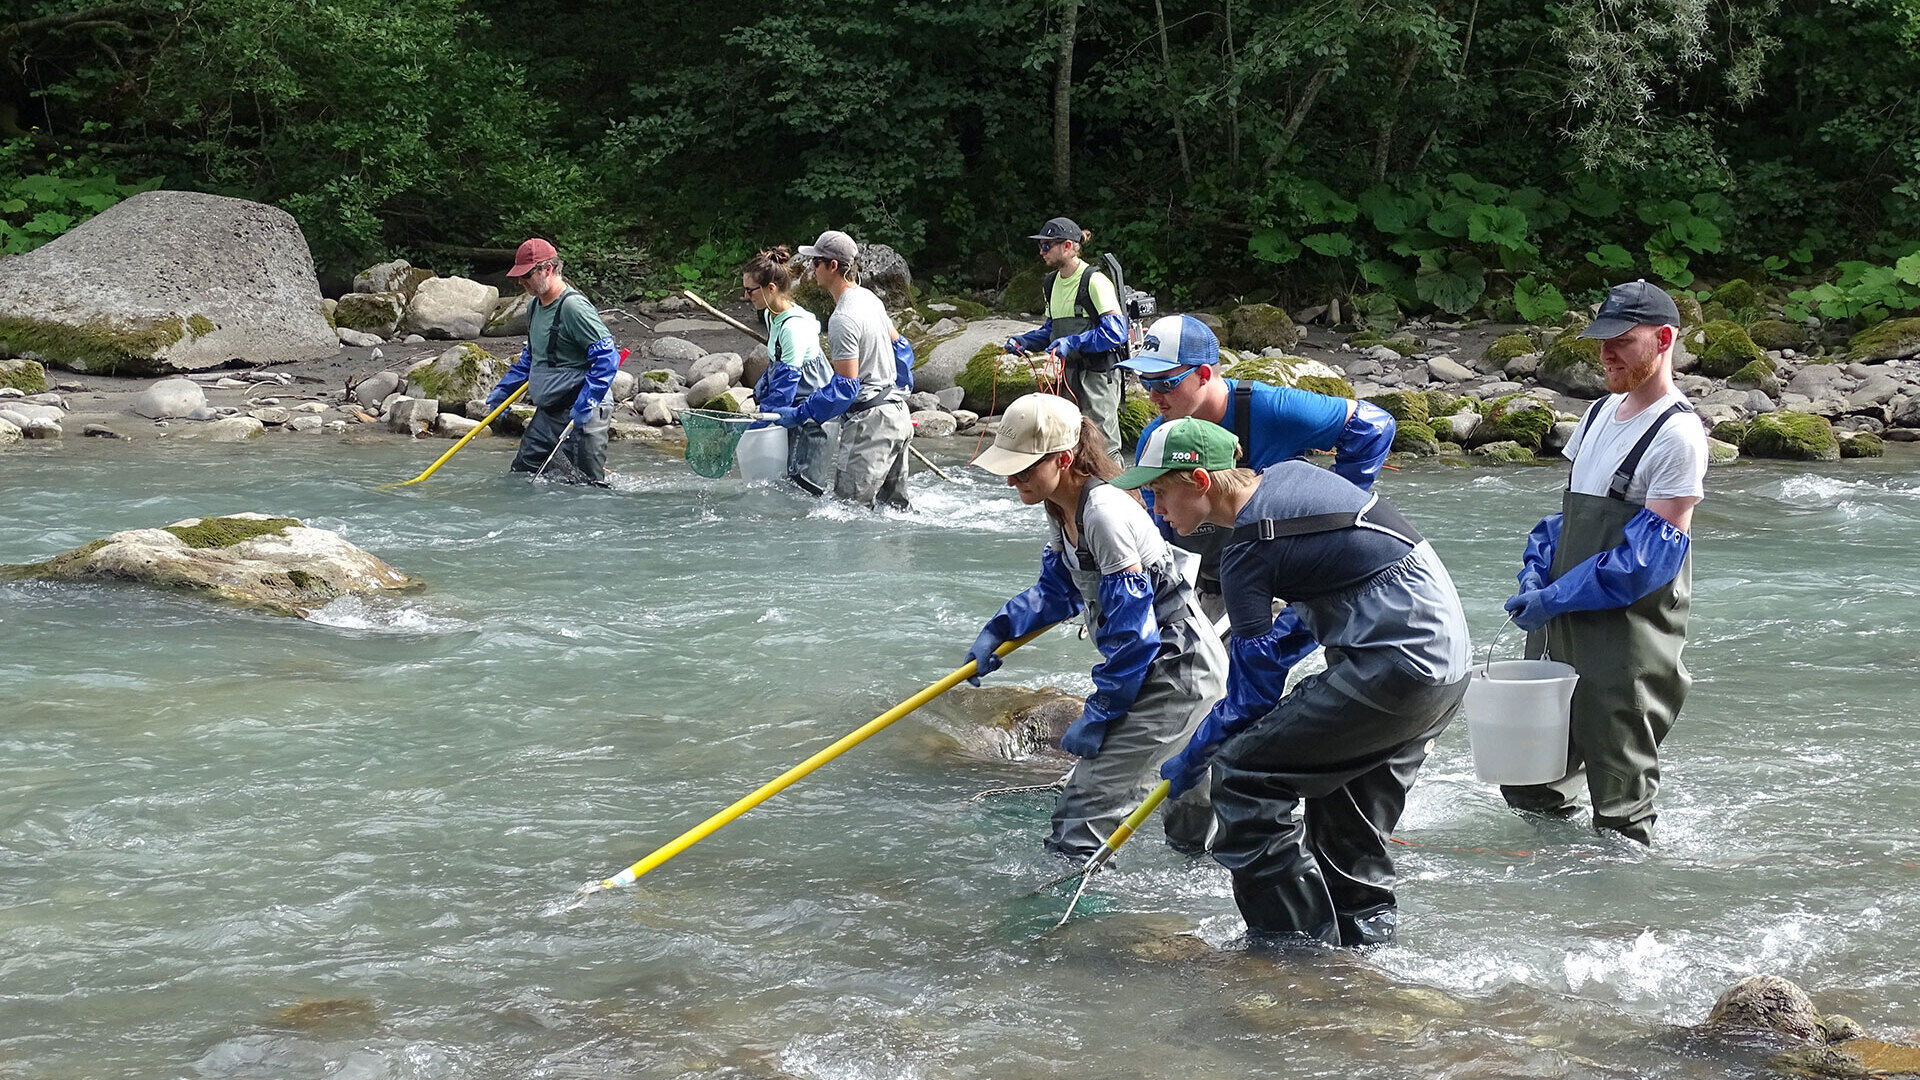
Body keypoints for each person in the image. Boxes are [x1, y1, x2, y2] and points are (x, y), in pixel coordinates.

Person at [1114, 417, 1469, 947]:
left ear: (1201, 482)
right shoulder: (1288, 482)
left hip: (1393, 669)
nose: (1155, 510)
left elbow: (1251, 700)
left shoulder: (1247, 549)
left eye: (1160, 493)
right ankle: (1365, 950)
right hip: (1445, 669)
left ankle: (1292, 948)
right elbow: (1325, 599)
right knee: (1345, 813)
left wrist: (1193, 758)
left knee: (1243, 775)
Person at [965, 394, 1227, 858]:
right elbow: (1058, 590)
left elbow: (1134, 635)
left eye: (1022, 470)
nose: (1010, 480)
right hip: (1164, 664)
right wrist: (1000, 629)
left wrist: (1100, 713)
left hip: (1178, 669)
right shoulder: (1061, 507)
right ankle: (1199, 877)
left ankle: (1074, 902)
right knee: (1188, 799)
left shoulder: (1104, 513)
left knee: (1083, 811)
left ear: (1063, 460)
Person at [1500, 280, 1708, 846]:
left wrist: (1555, 597)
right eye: (1601, 340)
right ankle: (1549, 880)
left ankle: (1626, 892)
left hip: (1627, 636)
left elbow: (1647, 560)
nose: (1605, 354)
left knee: (1620, 800)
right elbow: (1569, 515)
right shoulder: (1596, 414)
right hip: (1561, 619)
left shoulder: (1678, 436)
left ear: (1663, 340)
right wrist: (1537, 566)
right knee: (1530, 775)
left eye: (1622, 341)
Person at [1117, 314, 1397, 621]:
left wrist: (1333, 518)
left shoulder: (1271, 408)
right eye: (1145, 382)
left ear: (1204, 374)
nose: (1153, 396)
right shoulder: (1155, 440)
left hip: (1286, 593)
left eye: (1165, 383)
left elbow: (1374, 426)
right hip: (1211, 593)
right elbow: (1158, 535)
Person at [766, 230, 911, 509]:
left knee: (849, 513)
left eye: (816, 262)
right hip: (897, 416)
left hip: (871, 426)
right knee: (895, 511)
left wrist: (800, 414)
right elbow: (902, 348)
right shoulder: (869, 298)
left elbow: (846, 387)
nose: (811, 268)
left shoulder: (842, 318)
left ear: (833, 266)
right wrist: (899, 391)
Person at [482, 238, 620, 485]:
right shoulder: (534, 307)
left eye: (526, 274)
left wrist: (587, 402)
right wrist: (503, 392)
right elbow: (532, 358)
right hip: (550, 412)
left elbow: (607, 357)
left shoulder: (574, 307)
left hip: (583, 412)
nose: (520, 281)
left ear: (547, 269)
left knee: (586, 487)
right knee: (522, 476)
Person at [1003, 217, 1129, 460]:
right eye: (1040, 245)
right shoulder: (1050, 283)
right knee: (1067, 440)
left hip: (1098, 376)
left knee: (1102, 445)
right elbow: (1051, 330)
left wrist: (1073, 342)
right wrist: (1025, 341)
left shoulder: (1094, 281)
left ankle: (1115, 483)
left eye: (1046, 245)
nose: (1041, 251)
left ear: (1068, 246)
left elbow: (1116, 332)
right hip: (1068, 375)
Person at [741, 246, 839, 495]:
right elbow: (777, 363)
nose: (746, 296)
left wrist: (758, 425)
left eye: (750, 290)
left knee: (805, 484)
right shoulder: (771, 315)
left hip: (815, 414)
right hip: (793, 406)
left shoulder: (793, 328)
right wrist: (762, 388)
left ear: (771, 288)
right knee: (784, 479)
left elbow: (785, 386)